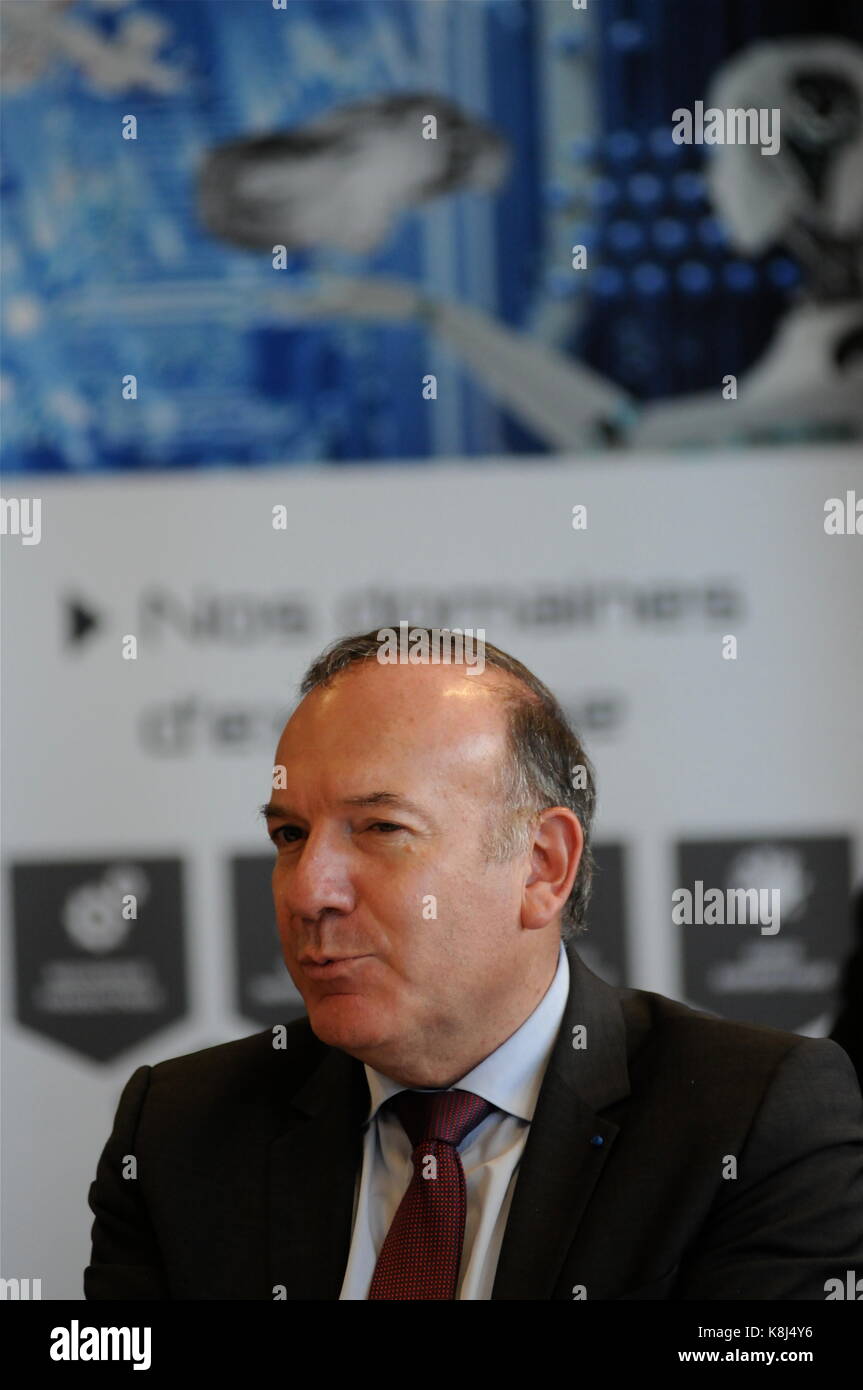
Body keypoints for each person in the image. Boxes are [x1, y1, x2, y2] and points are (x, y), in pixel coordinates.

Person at [85, 629, 863, 1300]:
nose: (309, 890)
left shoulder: (750, 1122)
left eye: (380, 828)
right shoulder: (180, 1131)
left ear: (540, 866)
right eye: (290, 836)